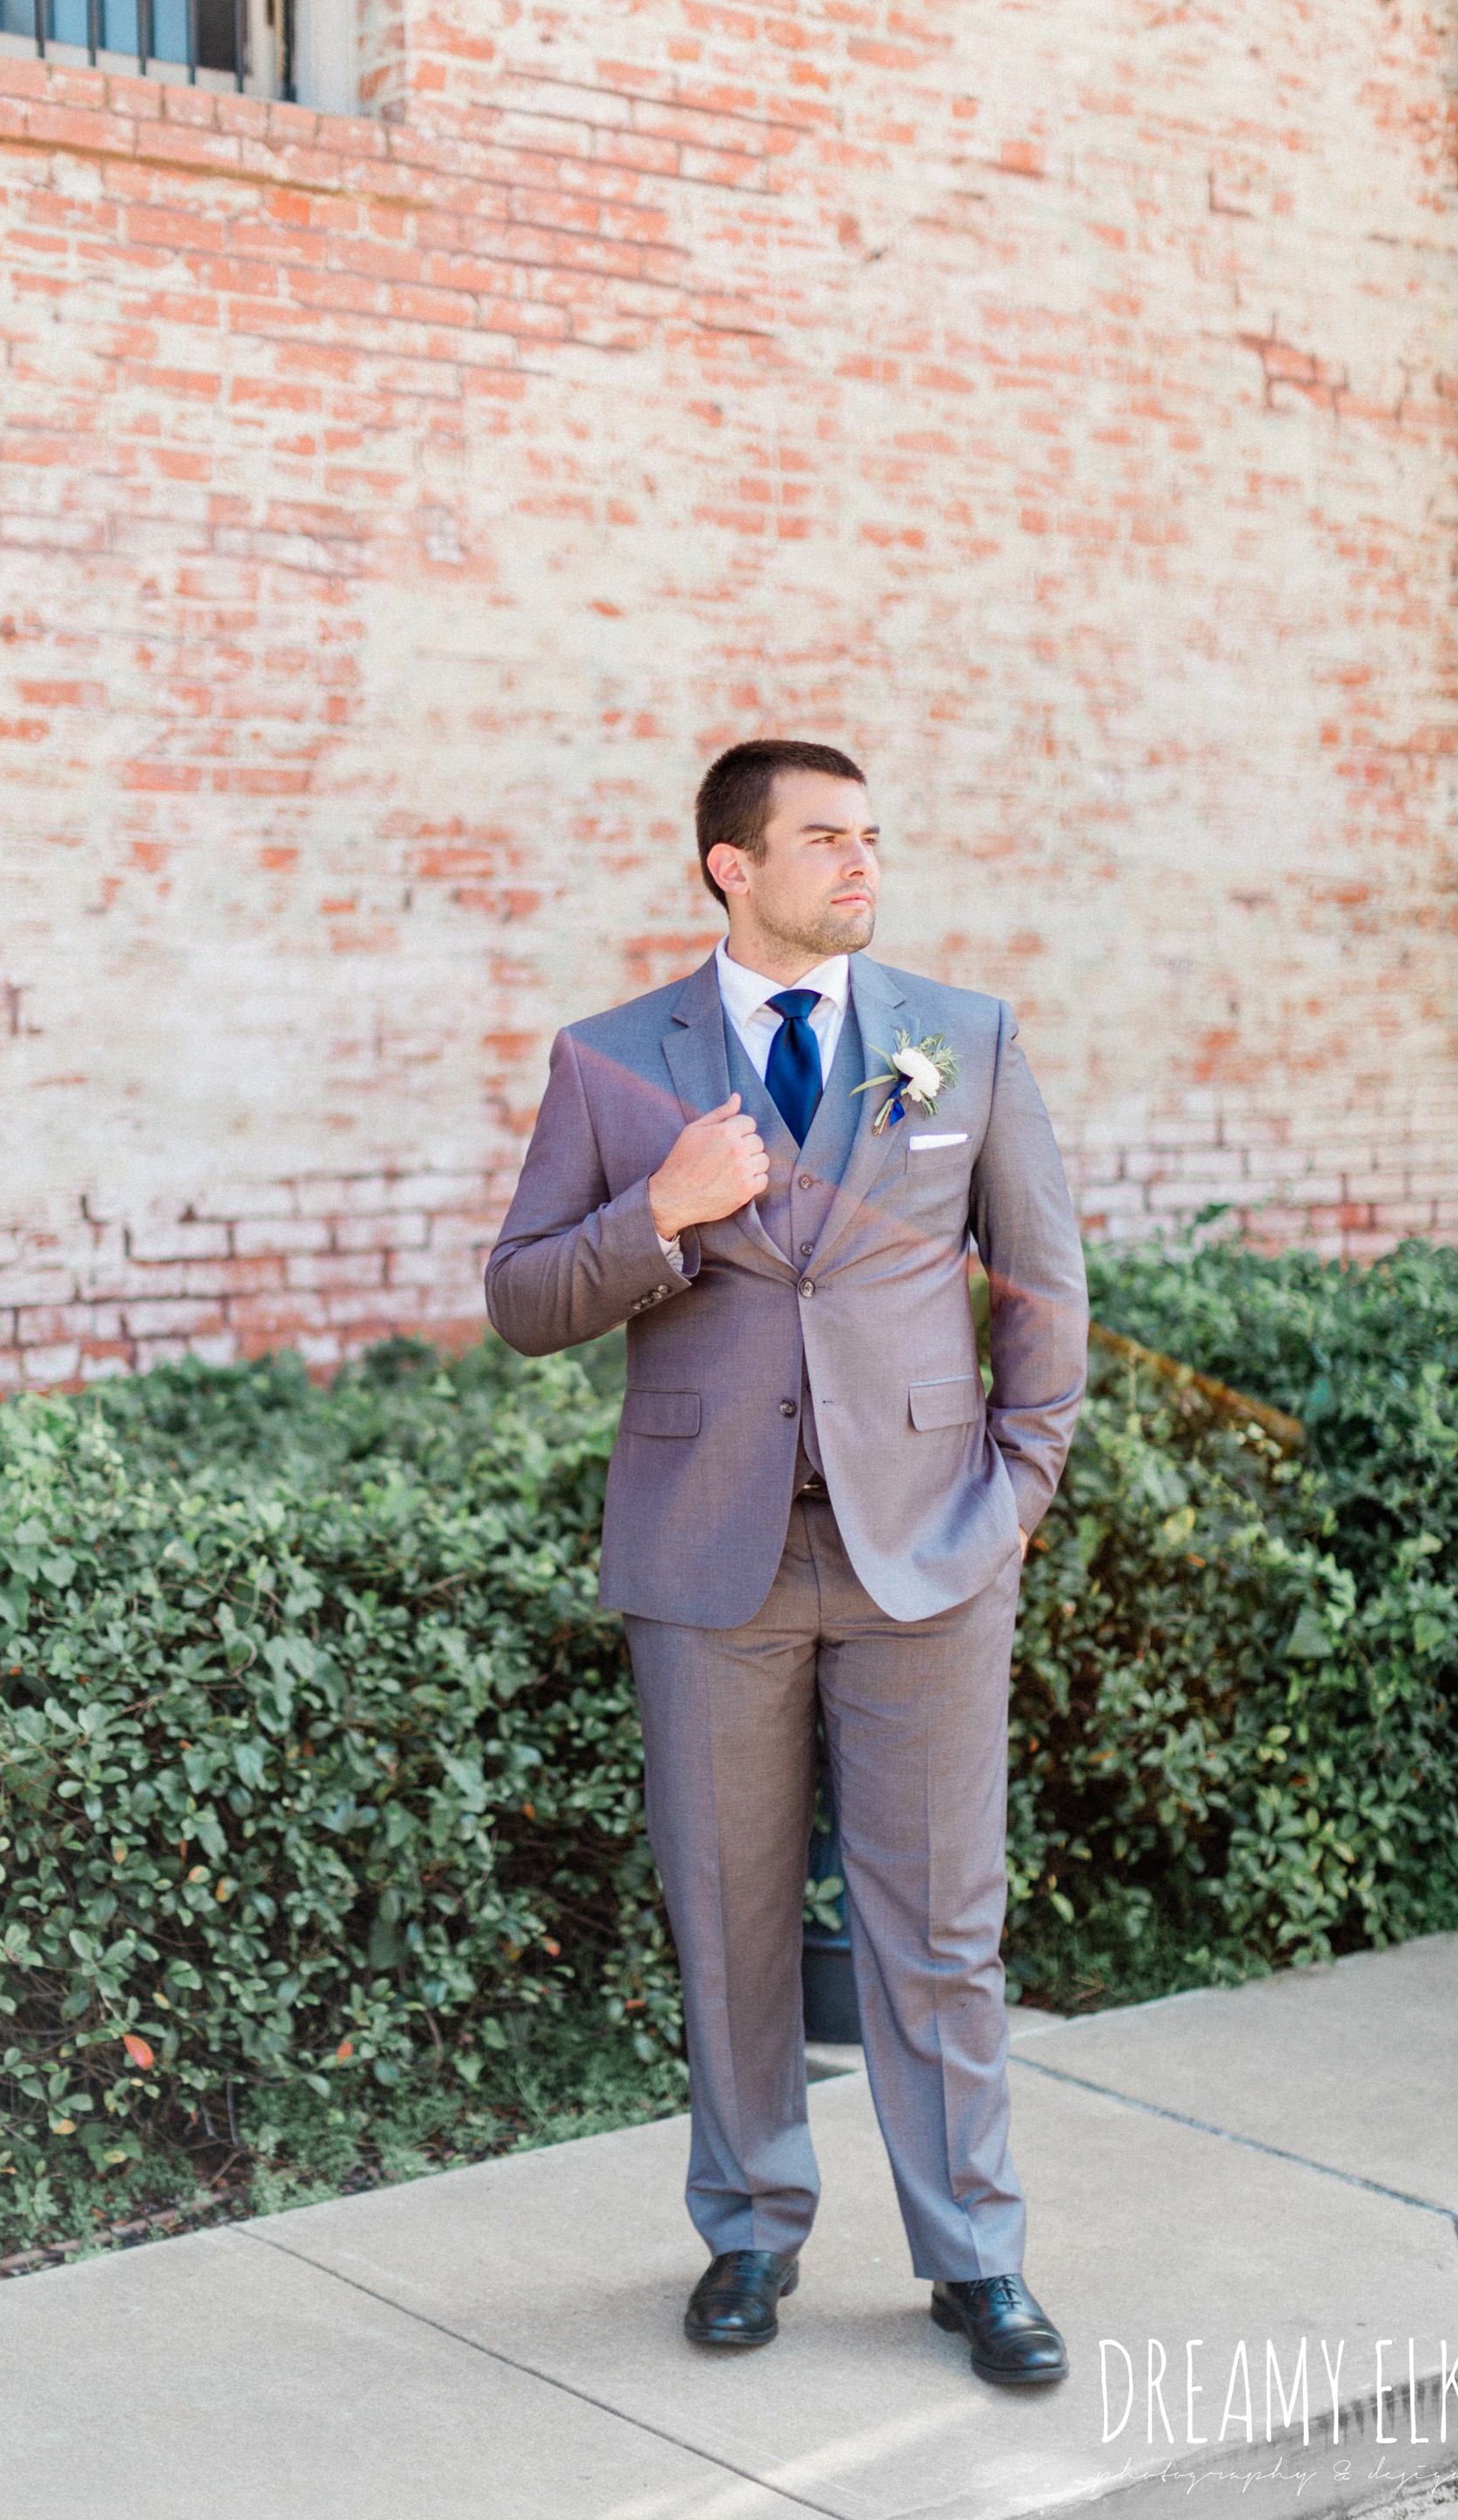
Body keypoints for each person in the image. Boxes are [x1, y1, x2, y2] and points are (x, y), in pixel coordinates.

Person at [484, 740, 1088, 2384]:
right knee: (731, 1918)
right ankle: (750, 2231)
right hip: (709, 1563)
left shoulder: (957, 1039)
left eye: (872, 836)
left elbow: (1041, 1286)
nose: (861, 864)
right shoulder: (614, 1064)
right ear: (728, 868)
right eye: (824, 839)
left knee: (942, 1926)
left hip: (929, 1556)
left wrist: (1016, 1492)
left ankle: (976, 2258)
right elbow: (524, 1301)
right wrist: (660, 1212)